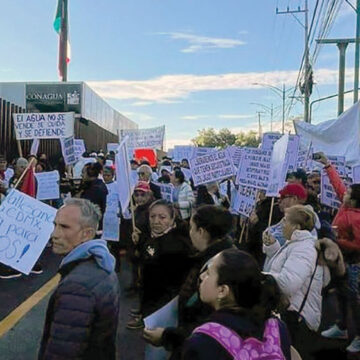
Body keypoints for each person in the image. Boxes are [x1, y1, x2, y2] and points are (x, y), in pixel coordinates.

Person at [143, 205, 234, 359]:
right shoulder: (211, 256)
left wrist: (167, 337)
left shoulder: (218, 268)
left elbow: (205, 322)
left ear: (201, 232)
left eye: (191, 227)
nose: (189, 232)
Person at [38, 198, 120, 360]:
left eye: (64, 227)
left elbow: (62, 351)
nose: (54, 234)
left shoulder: (76, 286)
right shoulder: (102, 263)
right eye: (55, 225)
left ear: (87, 234)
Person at [181, 248, 291, 359]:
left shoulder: (203, 342)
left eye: (208, 273)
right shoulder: (277, 329)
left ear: (222, 291)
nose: (202, 276)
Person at [264, 205, 330, 360]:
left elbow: (288, 284)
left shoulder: (304, 248)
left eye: (285, 221)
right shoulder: (297, 243)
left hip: (298, 319)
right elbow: (286, 266)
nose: (281, 225)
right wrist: (273, 247)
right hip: (295, 315)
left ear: (296, 227)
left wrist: (258, 276)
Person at [315, 152, 360, 353]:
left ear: (356, 200)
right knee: (341, 294)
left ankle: (358, 335)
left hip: (353, 263)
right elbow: (338, 185)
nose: (344, 193)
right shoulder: (345, 204)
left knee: (354, 299)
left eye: (349, 193)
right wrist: (327, 165)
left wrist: (335, 240)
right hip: (339, 260)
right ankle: (342, 327)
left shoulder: (357, 218)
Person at [127, 200, 192, 330]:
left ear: (173, 218)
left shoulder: (178, 244)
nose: (156, 221)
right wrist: (138, 243)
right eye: (152, 216)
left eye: (162, 217)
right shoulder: (148, 235)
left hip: (166, 302)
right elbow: (140, 259)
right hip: (149, 294)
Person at [78, 162, 108, 229]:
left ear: (90, 173)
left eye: (83, 172)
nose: (81, 175)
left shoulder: (95, 189)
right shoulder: (92, 185)